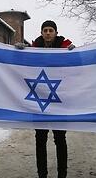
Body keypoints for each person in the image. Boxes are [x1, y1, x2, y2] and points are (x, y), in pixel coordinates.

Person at [17, 20, 74, 178]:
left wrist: (74, 53)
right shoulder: (34, 48)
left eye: (50, 30)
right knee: (40, 140)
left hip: (59, 102)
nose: (48, 33)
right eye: (45, 30)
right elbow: (22, 65)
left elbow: (78, 66)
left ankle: (62, 174)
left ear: (56, 32)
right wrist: (19, 51)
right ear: (41, 32)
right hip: (39, 102)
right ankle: (42, 174)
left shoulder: (65, 46)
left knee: (60, 139)